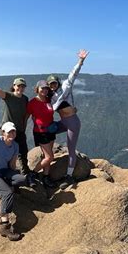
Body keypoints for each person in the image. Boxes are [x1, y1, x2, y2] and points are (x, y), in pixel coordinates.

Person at [46, 49, 89, 190]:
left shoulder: (65, 87)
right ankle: (47, 156)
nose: (53, 86)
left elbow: (73, 74)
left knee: (71, 149)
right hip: (64, 122)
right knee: (47, 130)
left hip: (73, 123)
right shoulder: (50, 97)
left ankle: (69, 176)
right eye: (50, 84)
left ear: (58, 82)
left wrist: (81, 61)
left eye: (54, 83)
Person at [26, 80, 56, 188]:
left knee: (46, 156)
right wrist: (21, 129)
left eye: (46, 88)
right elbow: (26, 116)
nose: (44, 90)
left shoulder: (48, 100)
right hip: (40, 132)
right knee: (49, 157)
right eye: (42, 88)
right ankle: (32, 174)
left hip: (51, 130)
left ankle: (46, 177)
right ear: (37, 89)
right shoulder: (32, 102)